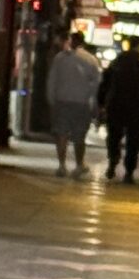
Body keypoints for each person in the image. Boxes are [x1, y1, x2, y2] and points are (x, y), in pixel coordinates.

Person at [97, 35, 139, 182]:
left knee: (114, 137)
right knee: (133, 141)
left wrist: (101, 103)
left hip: (116, 105)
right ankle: (129, 171)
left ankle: (113, 161)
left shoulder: (116, 64)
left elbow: (104, 85)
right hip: (137, 109)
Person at [45, 31, 101, 176]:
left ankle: (61, 165)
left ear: (70, 41)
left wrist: (51, 99)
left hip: (62, 100)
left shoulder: (60, 58)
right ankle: (79, 165)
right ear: (83, 42)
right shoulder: (91, 60)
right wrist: (94, 104)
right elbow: (96, 84)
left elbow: (52, 80)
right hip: (81, 103)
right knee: (79, 136)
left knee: (61, 134)